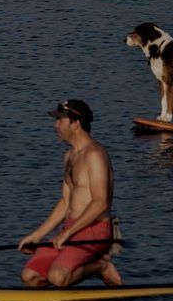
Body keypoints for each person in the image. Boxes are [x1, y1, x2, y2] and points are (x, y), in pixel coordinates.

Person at [18, 99, 123, 287]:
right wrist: (38, 235)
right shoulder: (69, 156)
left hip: (95, 230)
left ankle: (100, 266)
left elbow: (100, 203)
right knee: (29, 277)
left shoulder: (95, 155)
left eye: (60, 120)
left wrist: (67, 235)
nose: (55, 125)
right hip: (71, 228)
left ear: (75, 124)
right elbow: (66, 202)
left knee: (58, 277)